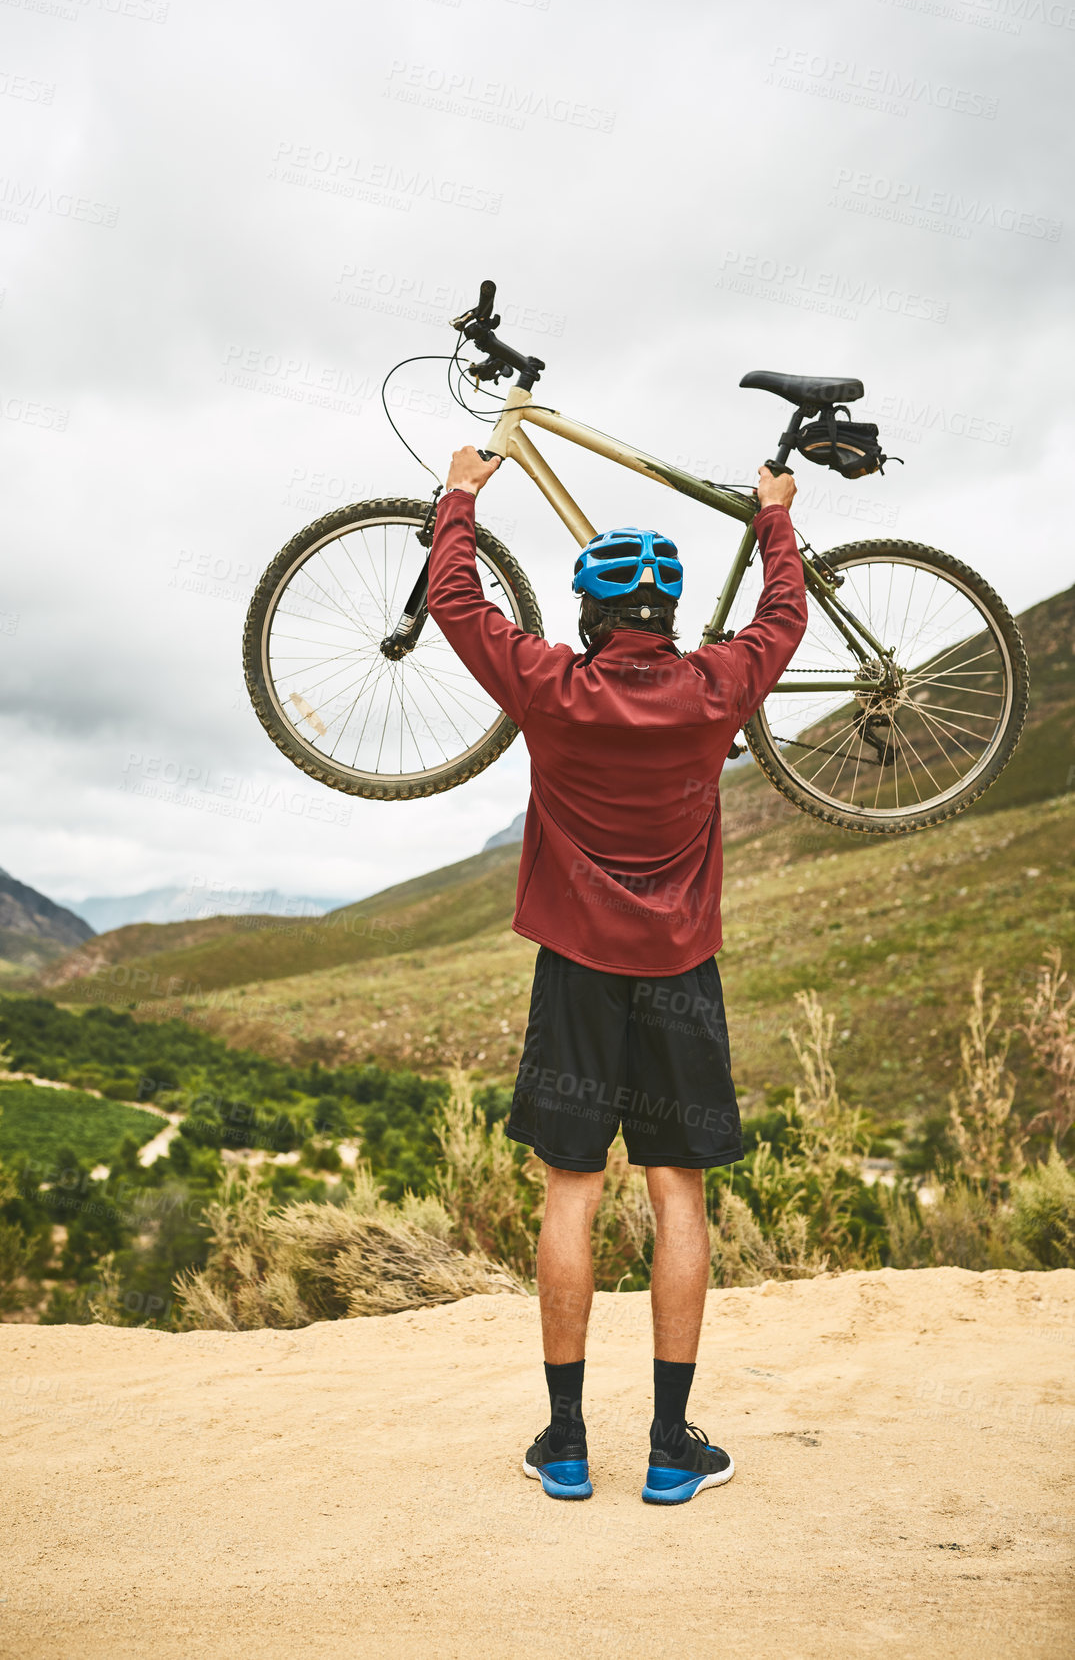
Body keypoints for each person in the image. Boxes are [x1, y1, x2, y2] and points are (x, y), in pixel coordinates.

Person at [427, 447, 805, 1504]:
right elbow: (784, 616)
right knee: (678, 1195)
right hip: (682, 971)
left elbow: (454, 600)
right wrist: (774, 515)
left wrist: (462, 490)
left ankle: (564, 1443)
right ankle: (672, 1445)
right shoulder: (717, 686)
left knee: (572, 1195)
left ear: (592, 619)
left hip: (578, 973)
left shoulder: (552, 687)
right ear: (670, 610)